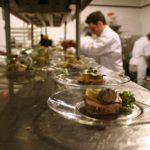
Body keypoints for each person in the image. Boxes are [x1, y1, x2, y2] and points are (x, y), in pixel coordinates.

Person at [80, 11, 124, 75]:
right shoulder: (102, 35)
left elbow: (92, 50)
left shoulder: (110, 36)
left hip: (114, 75)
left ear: (99, 23)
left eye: (93, 28)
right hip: (107, 73)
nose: (92, 32)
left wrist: (76, 43)